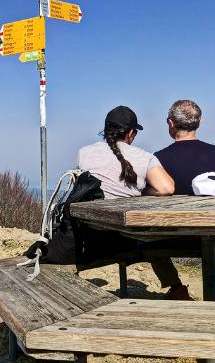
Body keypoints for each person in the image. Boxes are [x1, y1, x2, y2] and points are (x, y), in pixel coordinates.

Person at [78, 106, 192, 301]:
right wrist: (141, 191)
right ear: (131, 133)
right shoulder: (143, 157)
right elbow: (167, 188)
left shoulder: (84, 153)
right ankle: (176, 288)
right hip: (126, 239)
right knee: (153, 239)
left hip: (89, 238)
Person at [154, 99, 215, 300]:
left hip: (172, 236)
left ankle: (176, 287)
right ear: (200, 121)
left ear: (171, 123)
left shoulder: (158, 159)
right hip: (212, 234)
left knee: (147, 240)